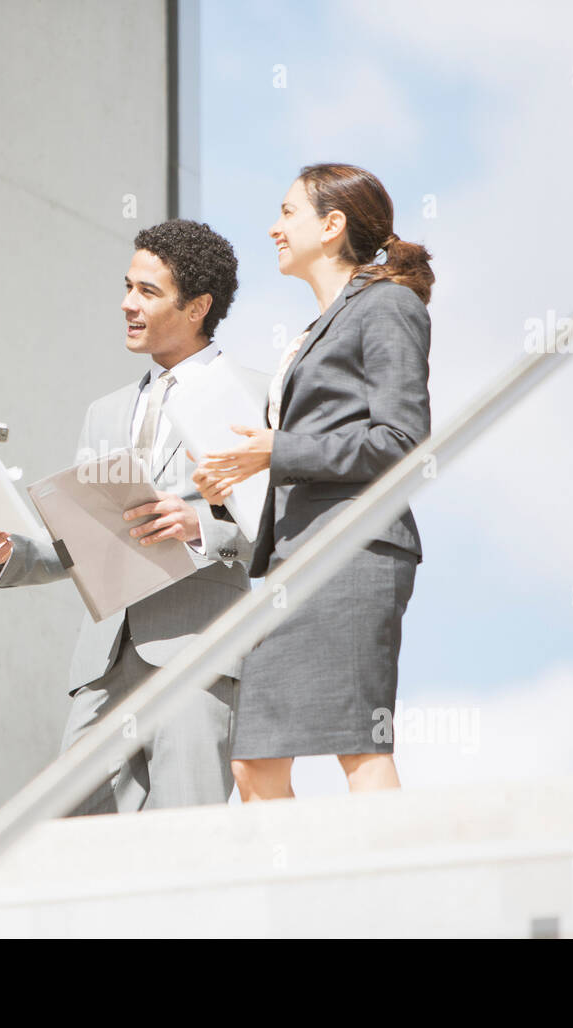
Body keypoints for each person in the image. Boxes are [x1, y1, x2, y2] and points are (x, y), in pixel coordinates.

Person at [0, 220, 268, 814]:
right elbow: (90, 537)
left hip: (198, 651)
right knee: (67, 829)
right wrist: (12, 552)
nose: (128, 304)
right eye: (128, 287)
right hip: (104, 664)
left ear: (199, 307)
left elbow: (283, 532)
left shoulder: (256, 395)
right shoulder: (104, 413)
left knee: (184, 834)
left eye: (148, 292)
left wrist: (201, 530)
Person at [193, 164, 433, 801]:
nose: (273, 228)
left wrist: (279, 450)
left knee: (358, 747)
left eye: (288, 212)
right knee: (255, 764)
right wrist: (243, 477)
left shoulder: (388, 305)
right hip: (297, 561)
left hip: (352, 554)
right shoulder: (314, 330)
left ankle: (393, 886)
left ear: (332, 226)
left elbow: (403, 442)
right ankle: (297, 892)